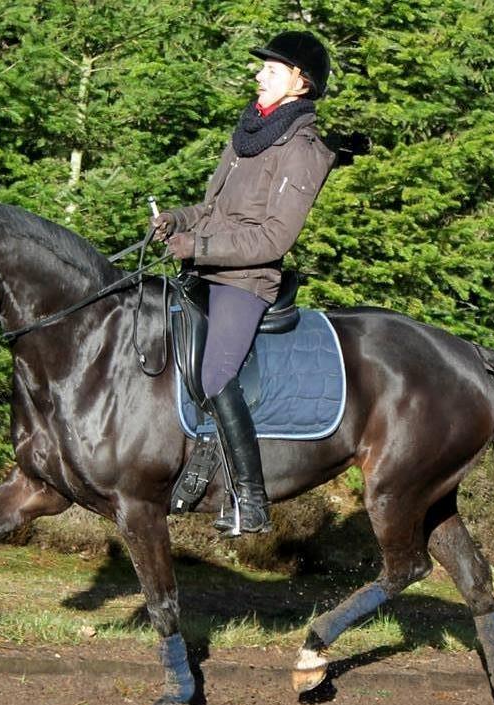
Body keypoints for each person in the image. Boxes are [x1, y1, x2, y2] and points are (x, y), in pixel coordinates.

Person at [153, 31, 335, 534]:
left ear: (299, 83)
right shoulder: (248, 133)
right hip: (205, 267)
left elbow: (275, 239)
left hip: (245, 280)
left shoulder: (303, 150)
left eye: (271, 70)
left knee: (214, 376)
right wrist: (177, 220)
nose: (259, 75)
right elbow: (211, 209)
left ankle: (252, 501)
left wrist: (200, 247)